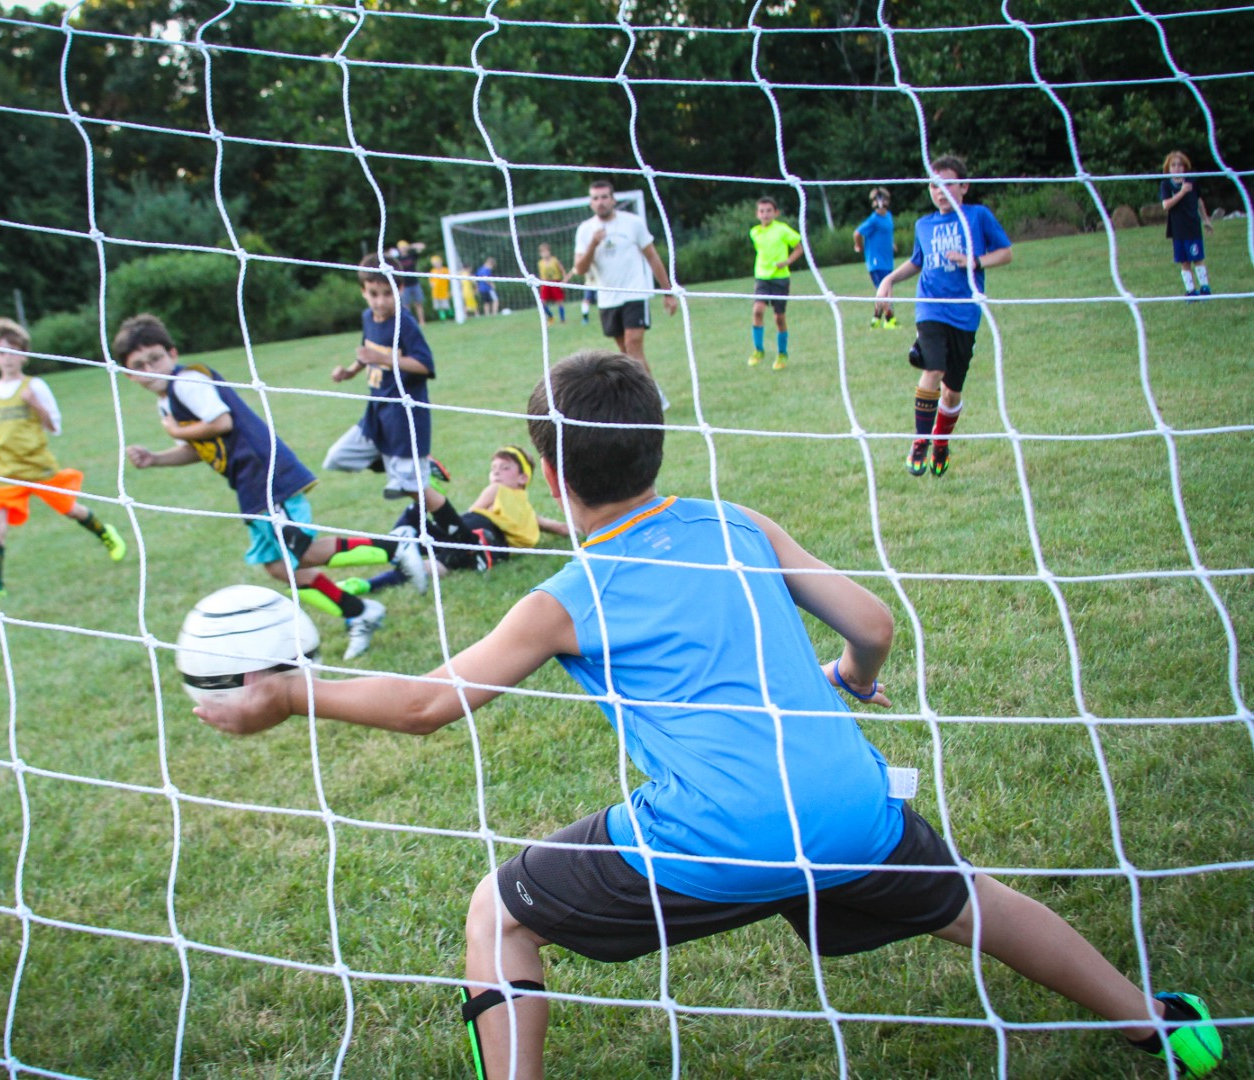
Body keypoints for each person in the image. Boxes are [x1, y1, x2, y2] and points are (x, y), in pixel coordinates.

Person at [196, 350, 1224, 1080]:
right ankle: (1154, 1024)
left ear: (548, 473)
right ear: (654, 447)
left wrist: (288, 691)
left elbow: (428, 704)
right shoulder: (739, 523)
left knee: (498, 914)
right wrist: (853, 675)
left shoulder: (565, 597)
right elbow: (872, 622)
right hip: (846, 807)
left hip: (713, 837)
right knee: (969, 903)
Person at [113, 313, 425, 660]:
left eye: (155, 359)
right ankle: (359, 612)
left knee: (300, 551)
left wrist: (175, 431)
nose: (150, 370)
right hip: (247, 484)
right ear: (128, 374)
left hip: (266, 472)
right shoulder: (167, 401)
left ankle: (394, 546)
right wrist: (156, 458)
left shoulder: (187, 382)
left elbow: (221, 422)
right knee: (279, 566)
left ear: (172, 353)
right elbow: (200, 448)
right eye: (139, 366)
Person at [0, 317, 126, 601]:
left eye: (14, 351)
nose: (8, 358)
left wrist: (35, 405)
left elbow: (55, 426)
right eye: (2, 352)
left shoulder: (35, 387)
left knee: (70, 509)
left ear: (24, 355)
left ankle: (105, 533)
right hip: (2, 468)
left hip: (37, 465)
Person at [876, 155, 1012, 479]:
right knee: (933, 368)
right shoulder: (924, 225)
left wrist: (974, 261)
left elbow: (1006, 253)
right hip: (930, 308)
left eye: (948, 183)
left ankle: (940, 441)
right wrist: (889, 279)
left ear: (964, 186)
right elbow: (917, 262)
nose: (941, 191)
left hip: (965, 314)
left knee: (951, 392)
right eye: (934, 185)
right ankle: (920, 441)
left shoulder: (978, 216)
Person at [325, 256, 471, 557]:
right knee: (336, 458)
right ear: (363, 292)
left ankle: (466, 545)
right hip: (375, 414)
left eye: (387, 294)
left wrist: (383, 359)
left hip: (405, 418)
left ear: (400, 289)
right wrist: (349, 372)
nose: (380, 301)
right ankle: (407, 464)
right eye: (373, 294)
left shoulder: (405, 323)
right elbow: (367, 351)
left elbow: (425, 365)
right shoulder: (368, 318)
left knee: (414, 489)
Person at [348, 444, 571, 592]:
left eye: (505, 468)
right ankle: (366, 584)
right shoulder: (524, 511)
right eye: (493, 468)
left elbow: (469, 514)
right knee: (432, 565)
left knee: (426, 551)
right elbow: (558, 528)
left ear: (523, 478)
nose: (496, 472)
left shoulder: (499, 492)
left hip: (471, 538)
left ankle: (419, 497)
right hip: (479, 548)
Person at [572, 179, 678, 408]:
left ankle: (652, 401)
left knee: (633, 344)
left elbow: (652, 256)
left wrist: (667, 291)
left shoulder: (633, 223)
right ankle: (649, 393)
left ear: (613, 199)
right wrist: (593, 244)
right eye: (596, 198)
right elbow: (579, 269)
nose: (600, 202)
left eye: (604, 197)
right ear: (591, 203)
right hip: (607, 299)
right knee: (626, 355)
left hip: (634, 293)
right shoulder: (585, 230)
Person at [748, 195, 803, 371]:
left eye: (769, 211)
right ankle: (759, 350)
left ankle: (782, 353)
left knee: (779, 318)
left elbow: (799, 247)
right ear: (757, 214)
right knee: (757, 311)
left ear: (776, 213)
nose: (765, 214)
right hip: (762, 278)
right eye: (762, 211)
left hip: (780, 279)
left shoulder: (782, 230)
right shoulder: (754, 232)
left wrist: (787, 262)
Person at [1160, 150, 1214, 300]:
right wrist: (1182, 192)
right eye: (1173, 165)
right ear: (1168, 168)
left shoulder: (1191, 182)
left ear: (1185, 167)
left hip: (1192, 226)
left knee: (1197, 257)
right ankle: (1190, 291)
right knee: (1184, 261)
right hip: (1177, 229)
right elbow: (1166, 205)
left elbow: (1199, 201)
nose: (1177, 168)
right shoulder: (1166, 184)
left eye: (1180, 165)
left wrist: (1206, 220)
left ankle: (1205, 288)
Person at [854, 186, 899, 328]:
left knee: (884, 290)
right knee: (884, 291)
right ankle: (890, 320)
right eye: (876, 199)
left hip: (887, 260)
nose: (880, 202)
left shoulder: (888, 216)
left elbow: (887, 233)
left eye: (882, 199)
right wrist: (859, 246)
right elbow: (857, 233)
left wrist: (891, 244)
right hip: (876, 262)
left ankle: (876, 319)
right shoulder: (873, 220)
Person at [392, 240, 429, 323]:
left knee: (418, 303)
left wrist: (410, 246)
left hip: (415, 283)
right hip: (404, 285)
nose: (403, 248)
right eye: (401, 247)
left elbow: (422, 246)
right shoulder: (397, 259)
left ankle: (422, 321)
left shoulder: (412, 256)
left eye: (404, 247)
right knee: (406, 305)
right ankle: (409, 321)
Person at [535, 244, 568, 325]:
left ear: (549, 251)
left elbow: (562, 271)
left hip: (555, 282)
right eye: (542, 252)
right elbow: (541, 274)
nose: (545, 253)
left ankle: (562, 320)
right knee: (542, 302)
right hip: (545, 283)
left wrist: (564, 281)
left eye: (546, 251)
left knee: (559, 301)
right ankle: (550, 317)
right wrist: (541, 284)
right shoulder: (540, 263)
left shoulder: (554, 260)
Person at [428, 254, 454, 322]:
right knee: (439, 307)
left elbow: (450, 279)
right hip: (436, 293)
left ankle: (451, 317)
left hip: (444, 292)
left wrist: (451, 290)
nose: (437, 264)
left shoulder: (445, 270)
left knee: (446, 306)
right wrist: (432, 284)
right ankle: (443, 319)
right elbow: (431, 281)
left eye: (437, 262)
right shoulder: (433, 271)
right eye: (435, 263)